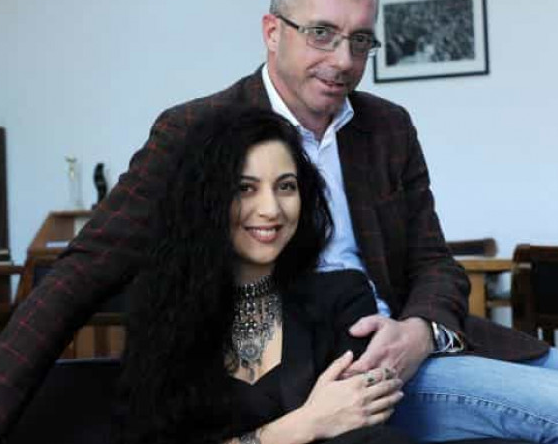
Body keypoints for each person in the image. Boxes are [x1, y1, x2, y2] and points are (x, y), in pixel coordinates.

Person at [0, 0, 558, 444]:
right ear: (272, 32)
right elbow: (82, 271)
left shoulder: (388, 126)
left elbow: (433, 262)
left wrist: (420, 331)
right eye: (322, 34)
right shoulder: (198, 130)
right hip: (319, 373)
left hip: (417, 345)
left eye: (360, 41)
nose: (343, 61)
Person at [115, 108, 410, 444]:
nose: (271, 209)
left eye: (286, 187)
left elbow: (362, 430)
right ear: (206, 198)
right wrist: (303, 425)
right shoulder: (163, 310)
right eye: (245, 188)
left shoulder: (344, 297)